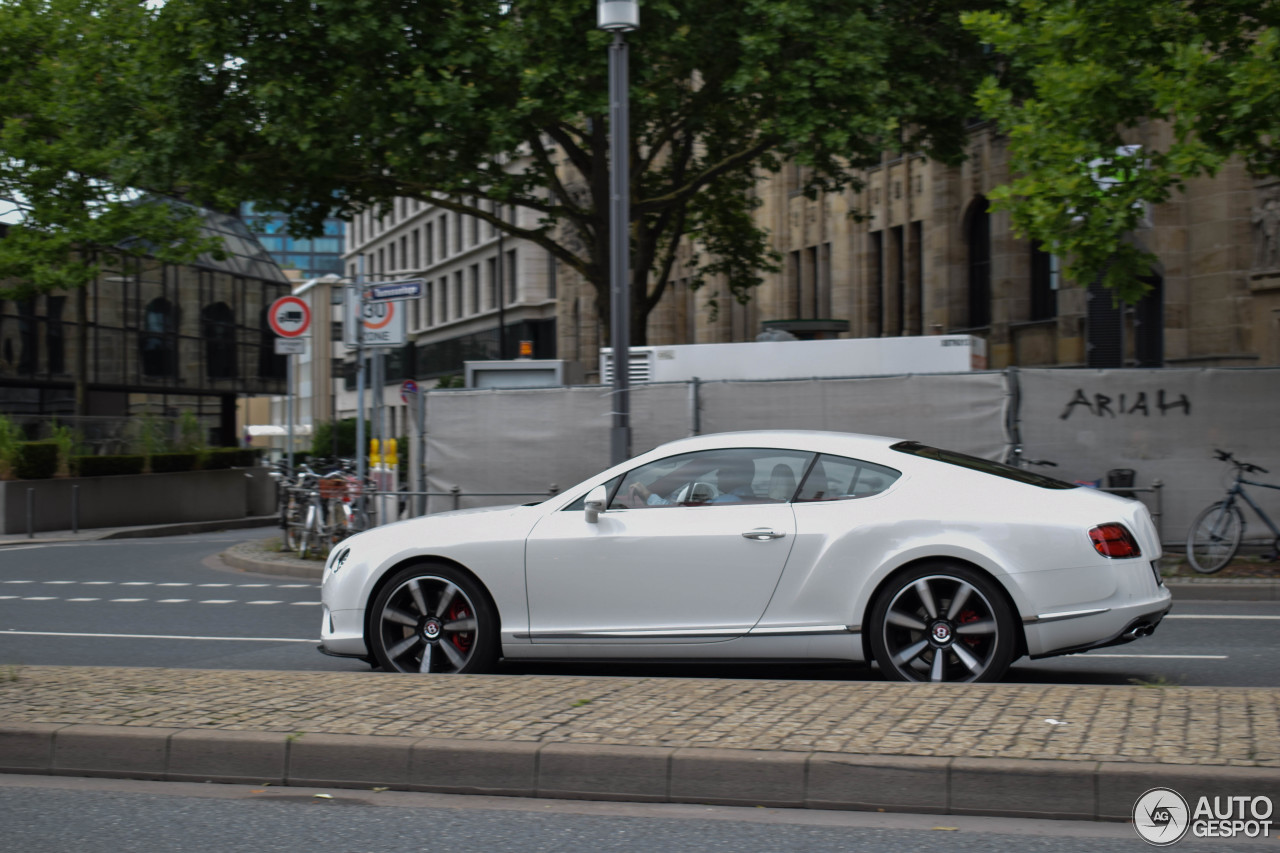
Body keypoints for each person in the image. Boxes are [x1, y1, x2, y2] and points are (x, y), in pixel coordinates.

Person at [629, 457, 758, 506]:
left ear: (735, 475)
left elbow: (680, 516)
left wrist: (648, 496)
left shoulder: (730, 501)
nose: (717, 473)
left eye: (722, 470)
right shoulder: (741, 499)